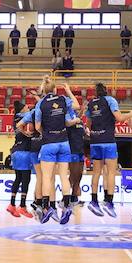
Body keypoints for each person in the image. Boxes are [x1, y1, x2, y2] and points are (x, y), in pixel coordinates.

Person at [31, 79, 81, 225]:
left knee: (47, 177)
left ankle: (47, 207)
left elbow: (37, 126)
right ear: (55, 90)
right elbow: (77, 106)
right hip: (64, 143)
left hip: (49, 143)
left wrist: (45, 132)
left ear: (44, 91)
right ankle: (66, 206)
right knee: (64, 176)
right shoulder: (63, 99)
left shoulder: (40, 103)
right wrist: (69, 91)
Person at [84, 82, 131, 217]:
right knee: (111, 172)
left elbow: (88, 123)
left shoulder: (91, 103)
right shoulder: (110, 100)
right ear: (106, 91)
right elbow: (119, 118)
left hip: (95, 141)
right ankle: (109, 202)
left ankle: (94, 201)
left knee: (96, 172)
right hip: (108, 141)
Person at [7, 121, 38, 218]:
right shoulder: (29, 120)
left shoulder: (18, 121)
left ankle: (12, 204)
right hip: (24, 153)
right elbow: (30, 132)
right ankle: (22, 205)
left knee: (18, 178)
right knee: (26, 180)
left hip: (15, 153)